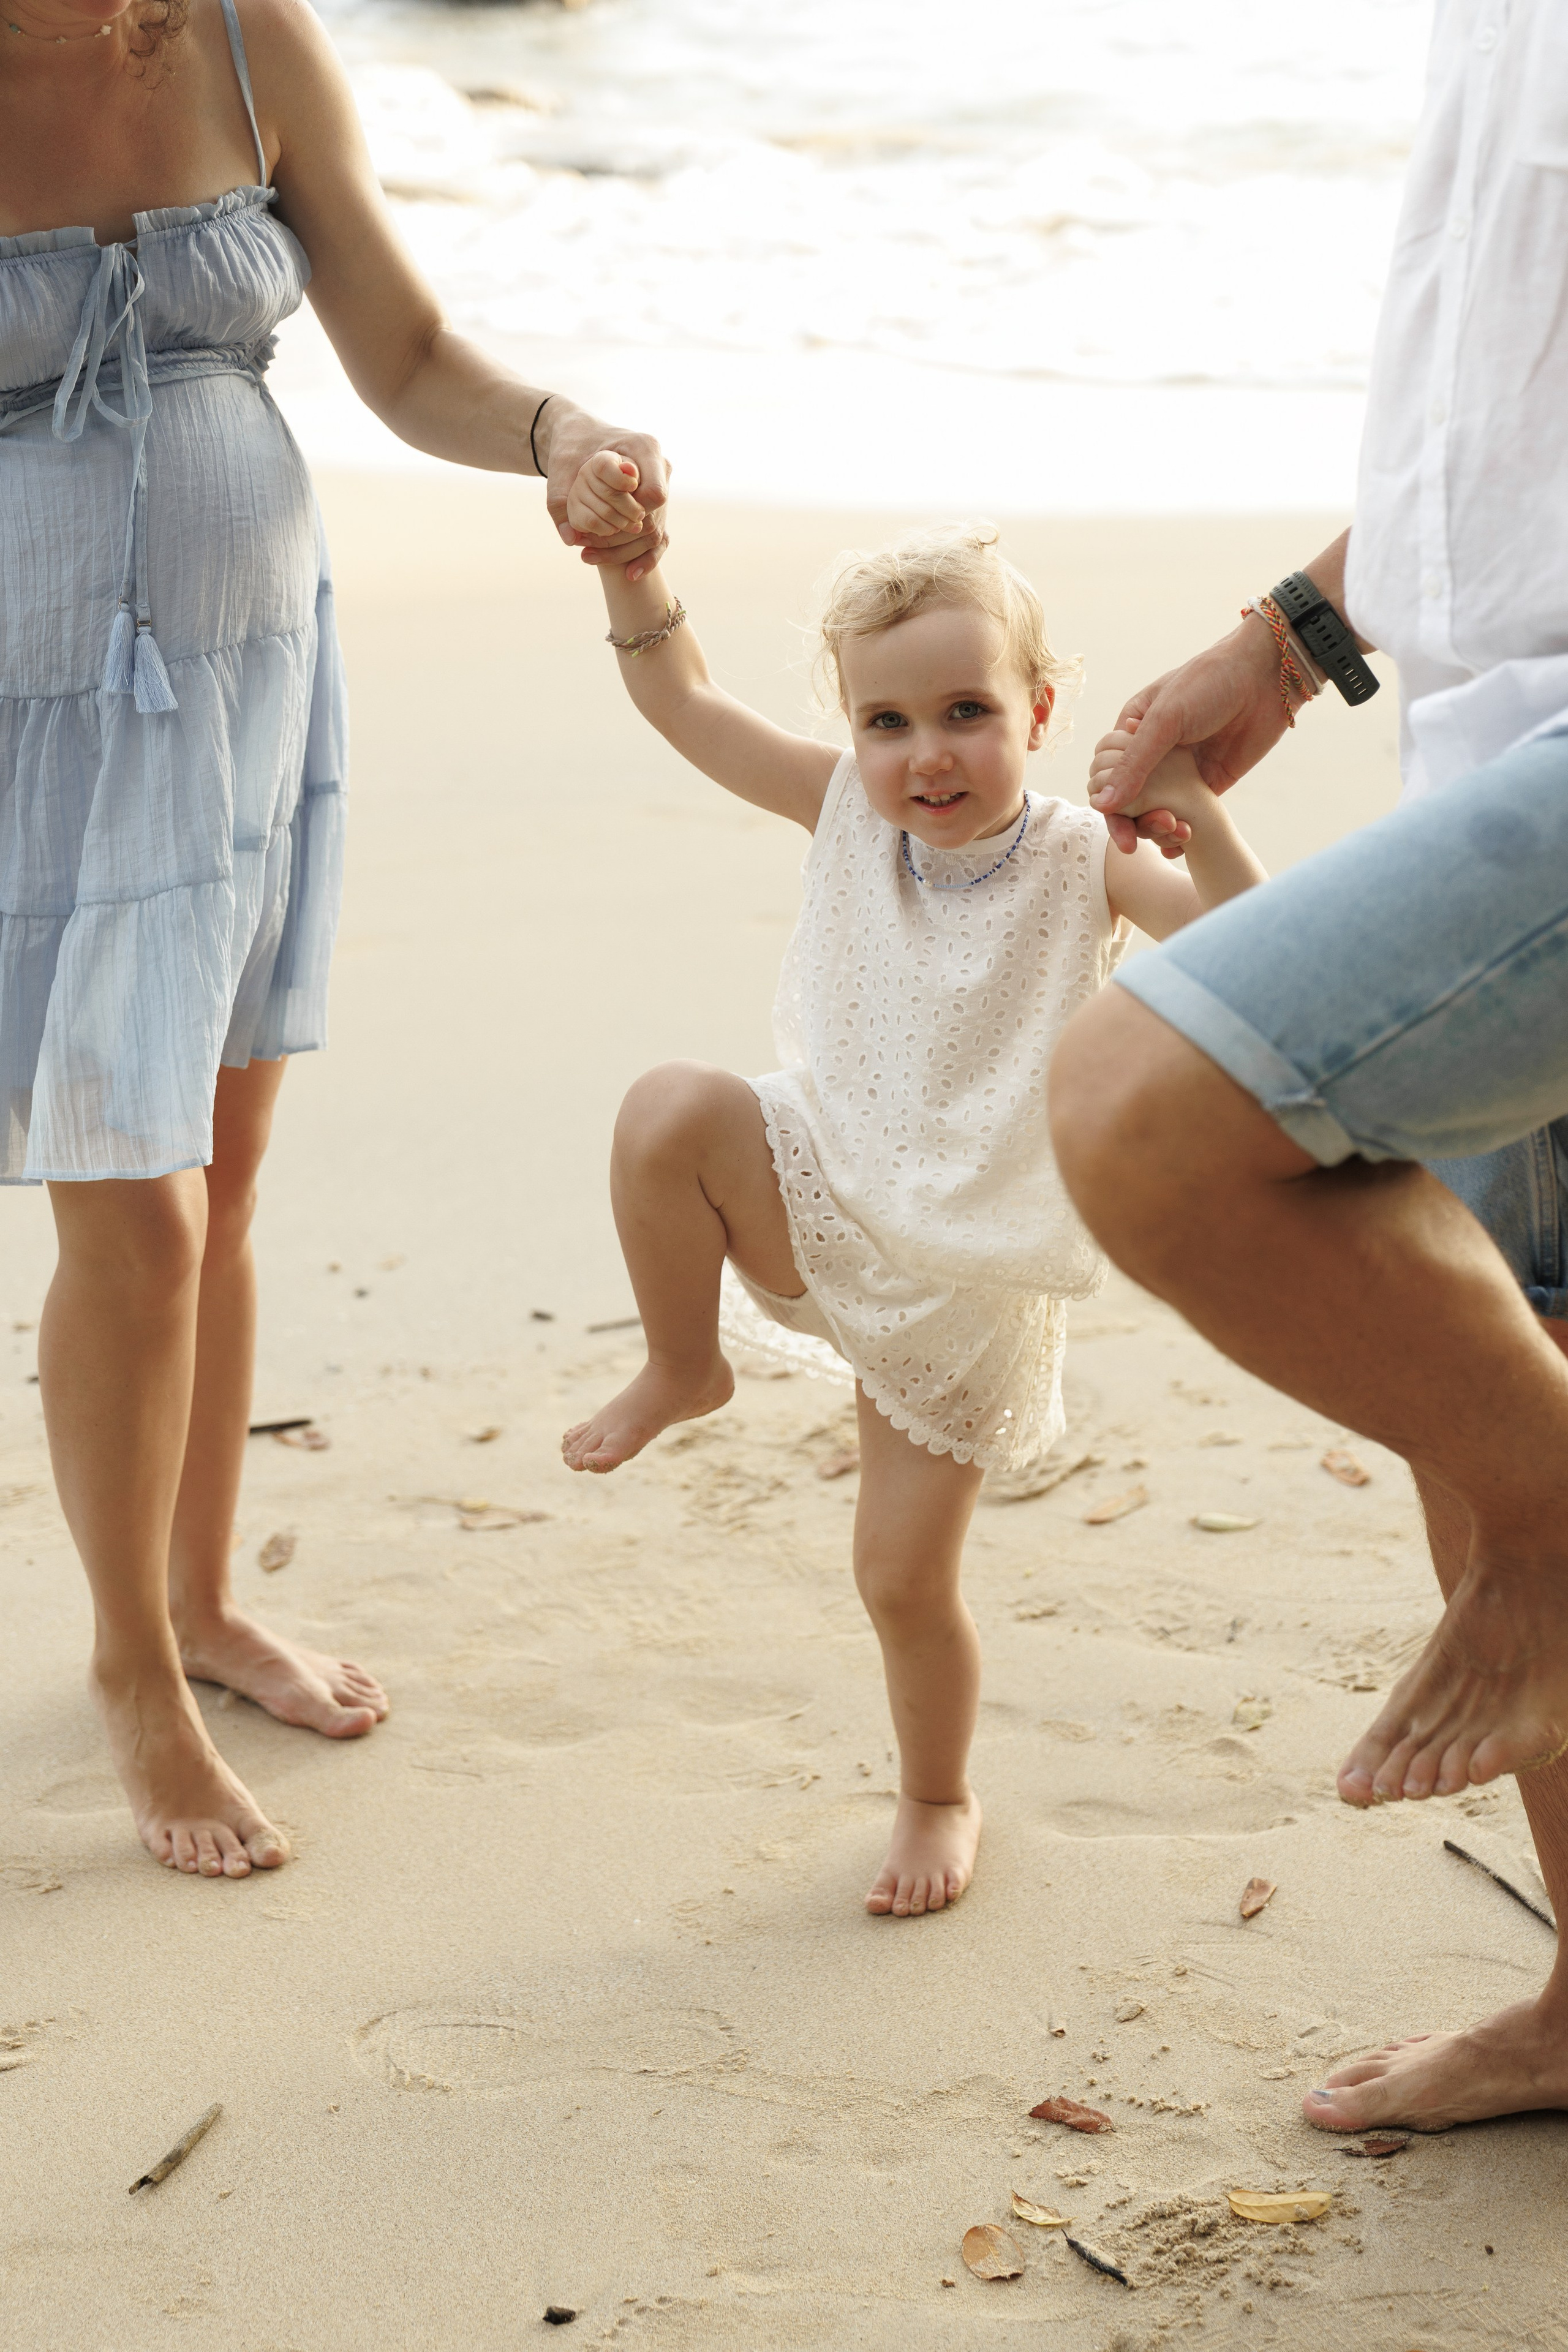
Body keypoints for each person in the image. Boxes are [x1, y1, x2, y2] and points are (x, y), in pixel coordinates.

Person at [1, 0, 668, 1880]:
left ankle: (204, 1599)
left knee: (226, 1167)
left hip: (250, 673)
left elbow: (407, 349)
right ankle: (132, 1670)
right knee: (133, 1198)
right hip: (30, 707)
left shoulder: (242, 32)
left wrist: (558, 433)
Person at [1049, 0, 1568, 2131]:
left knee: (1147, 1116)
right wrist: (1293, 642)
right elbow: (1503, 395)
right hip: (1483, 722)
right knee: (1496, 1372)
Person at [557, 472, 1265, 1917]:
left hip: (965, 1277)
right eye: (885, 722)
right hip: (820, 1195)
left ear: (1036, 715)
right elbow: (684, 705)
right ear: (849, 731)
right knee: (667, 1111)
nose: (924, 756)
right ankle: (683, 1368)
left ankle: (938, 1792)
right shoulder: (843, 811)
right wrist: (632, 571)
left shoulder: (1088, 860)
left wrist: (1190, 803)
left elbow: (1260, 954)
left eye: (964, 713)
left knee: (895, 1577)